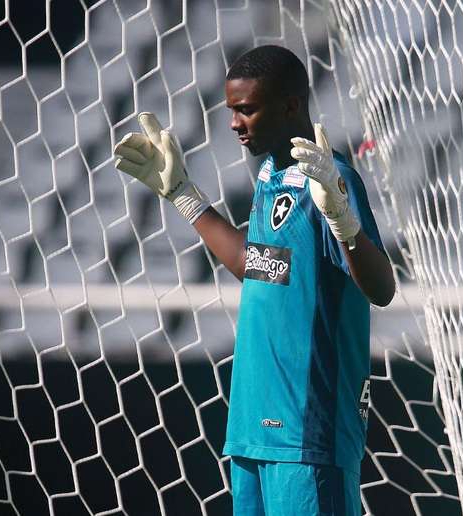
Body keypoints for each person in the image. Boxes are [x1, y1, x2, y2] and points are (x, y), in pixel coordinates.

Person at [113, 45, 395, 515]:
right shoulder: (271, 174)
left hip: (307, 435)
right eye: (231, 111)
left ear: (289, 105)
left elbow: (382, 288)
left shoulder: (333, 179)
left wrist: (344, 221)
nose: (234, 123)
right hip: (252, 428)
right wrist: (183, 193)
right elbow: (259, 265)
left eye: (245, 109)